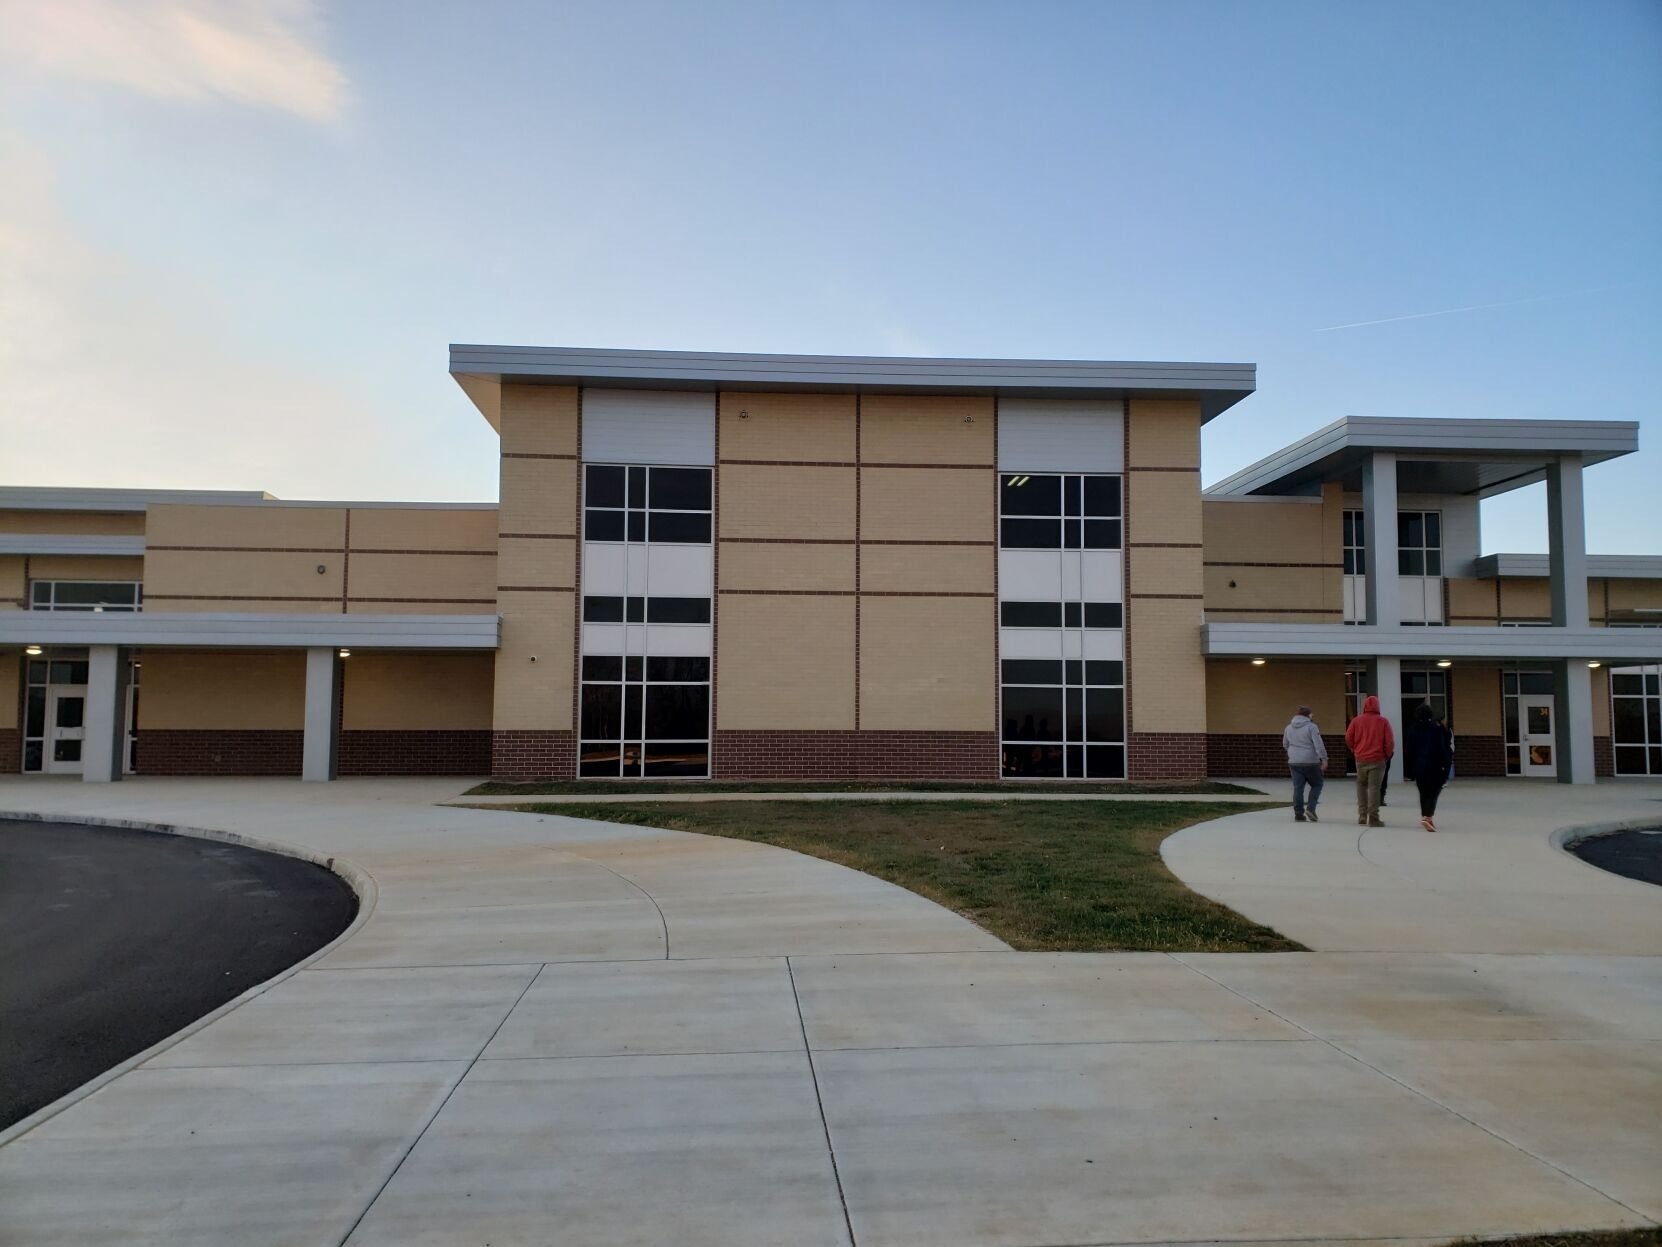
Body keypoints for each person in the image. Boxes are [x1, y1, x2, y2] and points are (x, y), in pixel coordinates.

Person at [1344, 694, 1395, 828]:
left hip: (1360, 759)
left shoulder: (1356, 721)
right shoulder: (1383, 722)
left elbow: (1348, 737)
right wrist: (1387, 755)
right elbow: (1389, 742)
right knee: (1374, 788)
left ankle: (1362, 815)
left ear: (1365, 706)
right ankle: (1373, 818)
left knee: (1361, 786)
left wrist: (1355, 750)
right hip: (1377, 759)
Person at [1403, 704, 1455, 833]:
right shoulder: (1436, 729)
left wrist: (1409, 769)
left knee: (1423, 792)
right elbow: (1442, 748)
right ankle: (1428, 816)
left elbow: (1408, 750)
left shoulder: (1413, 729)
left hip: (1419, 766)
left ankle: (1426, 817)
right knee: (1434, 791)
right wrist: (1446, 764)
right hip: (1434, 765)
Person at [1281, 704, 1327, 822]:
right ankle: (1311, 809)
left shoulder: (1288, 727)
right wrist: (1324, 759)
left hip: (1294, 762)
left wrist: (1292, 753)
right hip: (1311, 762)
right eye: (1311, 714)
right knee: (1317, 784)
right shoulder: (1312, 727)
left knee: (1298, 788)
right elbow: (1318, 744)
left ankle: (1298, 814)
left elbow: (1285, 744)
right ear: (1308, 715)